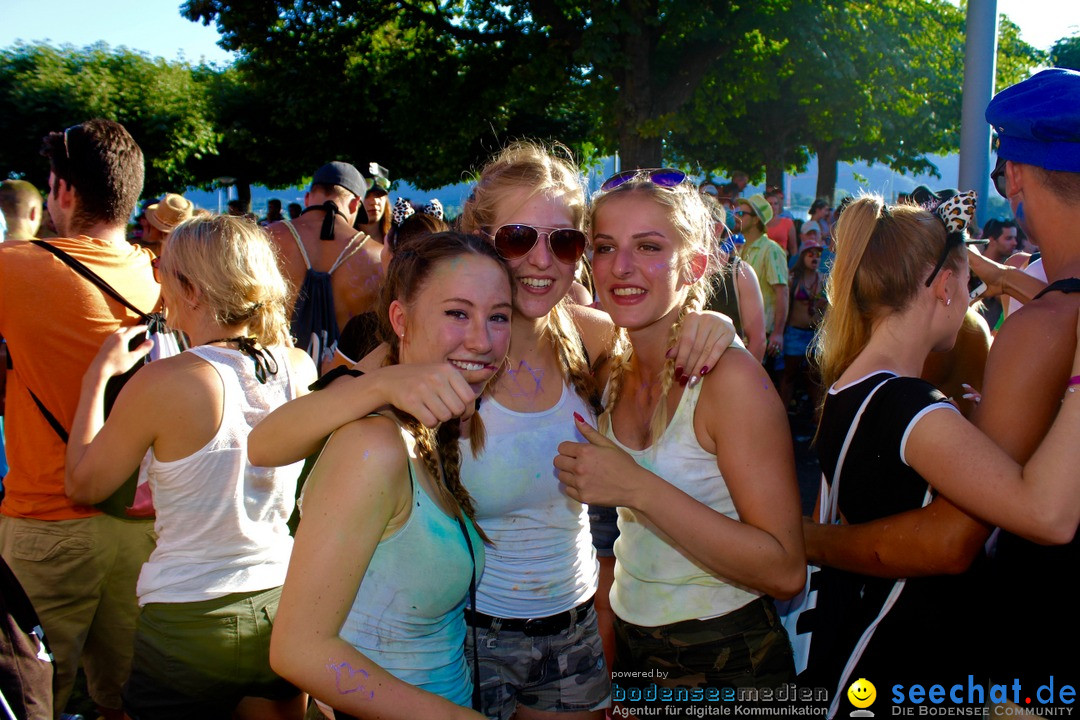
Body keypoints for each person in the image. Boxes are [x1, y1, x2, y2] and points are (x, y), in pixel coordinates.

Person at [250, 144, 735, 720]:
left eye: (564, 241)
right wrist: (377, 386)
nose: (541, 260)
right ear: (480, 237)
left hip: (573, 626)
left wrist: (708, 322)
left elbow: (662, 348)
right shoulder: (445, 346)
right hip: (471, 637)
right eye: (517, 238)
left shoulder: (592, 338)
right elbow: (266, 445)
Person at [801, 190, 1080, 716]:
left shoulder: (854, 383)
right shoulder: (913, 408)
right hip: (898, 662)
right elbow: (1051, 515)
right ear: (947, 285)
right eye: (969, 282)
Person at [555, 170, 804, 707]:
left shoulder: (728, 381)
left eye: (648, 246)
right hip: (634, 646)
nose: (621, 267)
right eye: (604, 247)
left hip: (731, 657)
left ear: (693, 265)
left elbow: (785, 570)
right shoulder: (607, 360)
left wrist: (637, 488)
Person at [64, 214, 314, 719]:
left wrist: (99, 376)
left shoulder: (164, 382)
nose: (158, 283)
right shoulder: (296, 365)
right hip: (281, 601)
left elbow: (83, 484)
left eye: (163, 271)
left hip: (188, 615)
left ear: (192, 290)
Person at [269, 231, 510, 719]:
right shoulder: (374, 445)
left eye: (499, 317)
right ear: (401, 320)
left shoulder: (434, 428)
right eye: (457, 313)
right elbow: (297, 650)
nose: (483, 339)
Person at [0, 119, 158, 719]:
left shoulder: (15, 268)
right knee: (128, 699)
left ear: (63, 192)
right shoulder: (159, 273)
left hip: (45, 523)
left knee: (28, 697)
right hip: (139, 521)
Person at [266, 161, 382, 363]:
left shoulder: (264, 239)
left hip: (275, 375)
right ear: (355, 204)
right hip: (342, 384)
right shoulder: (376, 256)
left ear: (308, 198)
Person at [736, 193, 788, 362]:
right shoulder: (743, 248)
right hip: (744, 333)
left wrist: (778, 333)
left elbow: (782, 292)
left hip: (763, 336)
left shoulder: (771, 249)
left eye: (742, 214)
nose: (737, 217)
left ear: (756, 219)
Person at [778, 236, 826, 415]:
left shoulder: (823, 279)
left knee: (813, 377)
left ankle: (817, 418)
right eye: (811, 254)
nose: (815, 258)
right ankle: (781, 414)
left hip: (814, 335)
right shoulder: (793, 279)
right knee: (789, 375)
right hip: (794, 334)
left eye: (819, 255)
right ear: (803, 256)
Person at [765, 188, 797, 257]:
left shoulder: (788, 223)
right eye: (770, 204)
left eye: (775, 204)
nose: (773, 206)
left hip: (782, 259)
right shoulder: (760, 223)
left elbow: (793, 248)